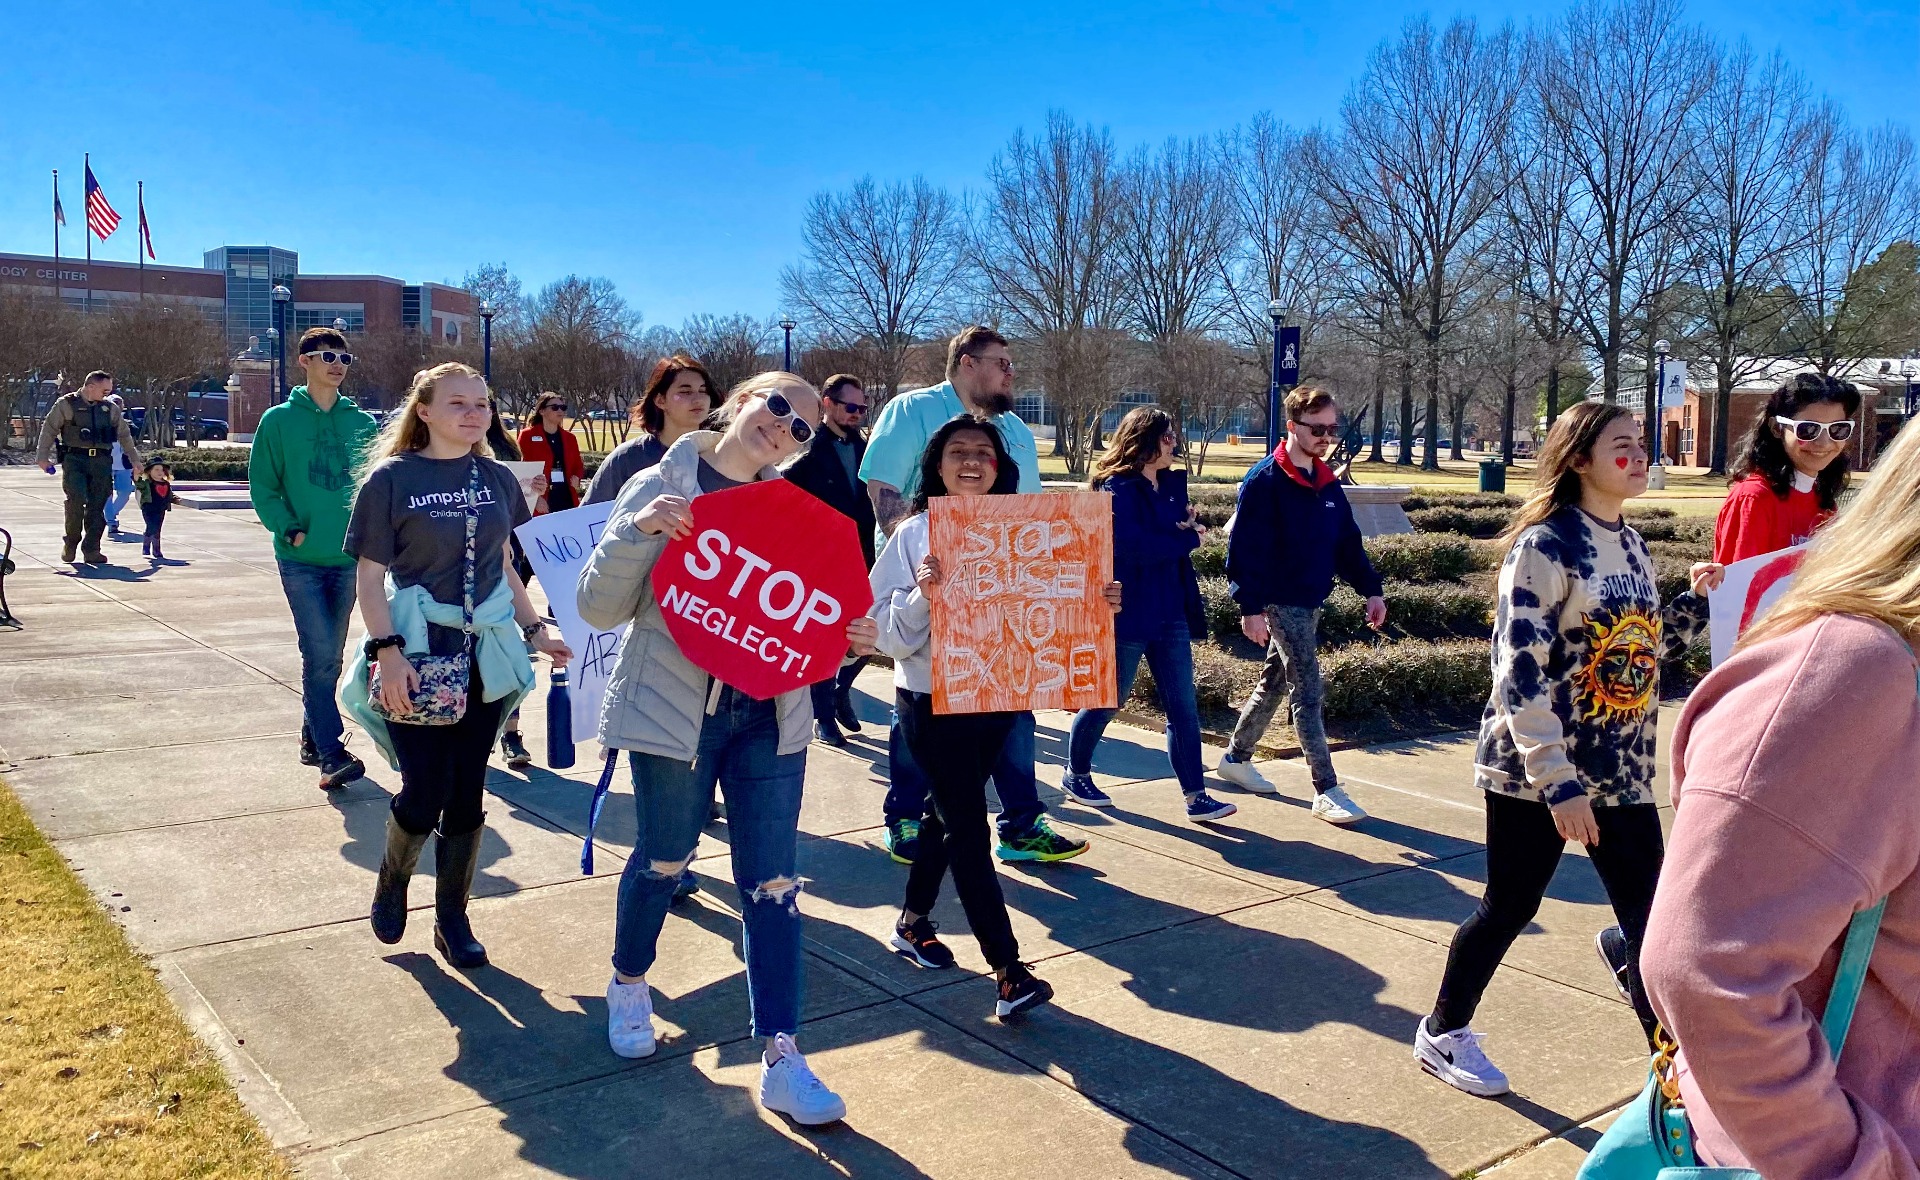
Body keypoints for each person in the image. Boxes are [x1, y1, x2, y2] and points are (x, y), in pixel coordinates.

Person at [579, 371, 877, 1126]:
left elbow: (807, 625)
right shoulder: (661, 480)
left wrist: (850, 642)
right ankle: (629, 981)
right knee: (664, 857)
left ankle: (782, 1055)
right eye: (777, 406)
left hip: (768, 719)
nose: (784, 427)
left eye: (804, 427)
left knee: (773, 883)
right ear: (742, 402)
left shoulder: (797, 518)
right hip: (675, 711)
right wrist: (639, 529)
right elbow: (596, 606)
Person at [1413, 402, 1721, 1098]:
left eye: (1643, 445)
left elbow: (1638, 655)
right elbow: (1517, 669)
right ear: (1579, 460)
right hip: (1536, 775)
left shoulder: (1633, 545)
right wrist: (1557, 781)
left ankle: (1677, 1072)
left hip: (1618, 771)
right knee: (1510, 907)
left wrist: (1691, 607)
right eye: (1623, 446)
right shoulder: (1545, 547)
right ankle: (1442, 1031)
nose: (1640, 456)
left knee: (1654, 920)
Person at [1641, 416, 1920, 1178]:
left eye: (1841, 427)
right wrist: (1848, 1162)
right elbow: (1708, 970)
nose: (1825, 439)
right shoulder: (1856, 675)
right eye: (1809, 425)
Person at [870, 416, 1108, 1016]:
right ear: (937, 465)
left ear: (1000, 469)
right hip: (930, 701)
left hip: (998, 699)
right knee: (970, 831)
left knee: (943, 818)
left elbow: (1055, 612)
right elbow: (884, 636)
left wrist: (1096, 603)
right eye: (957, 451)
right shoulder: (912, 535)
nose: (971, 461)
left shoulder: (1026, 532)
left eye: (983, 452)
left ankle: (912, 920)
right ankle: (1008, 970)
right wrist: (924, 592)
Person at [342, 362, 572, 971]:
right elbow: (368, 580)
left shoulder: (496, 478)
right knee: (423, 791)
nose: (473, 414)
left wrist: (535, 629)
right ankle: (393, 878)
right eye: (457, 403)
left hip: (486, 653)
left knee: (469, 789)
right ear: (424, 410)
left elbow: (501, 563)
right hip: (417, 650)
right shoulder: (391, 480)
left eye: (482, 403)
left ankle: (453, 917)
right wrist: (385, 653)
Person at [858, 325, 1084, 867]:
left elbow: (1033, 520)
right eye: (1001, 362)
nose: (1011, 372)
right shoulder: (911, 411)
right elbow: (885, 493)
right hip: (930, 594)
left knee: (1013, 715)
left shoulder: (1015, 432)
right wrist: (926, 572)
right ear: (966, 362)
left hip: (1004, 604)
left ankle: (1022, 824)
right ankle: (908, 818)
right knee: (921, 714)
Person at [1217, 386, 1385, 825]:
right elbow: (1243, 549)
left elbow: (1347, 544)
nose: (1326, 437)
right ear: (1292, 426)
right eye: (1317, 429)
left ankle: (1236, 757)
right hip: (1280, 600)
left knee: (1274, 681)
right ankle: (1326, 788)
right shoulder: (1264, 481)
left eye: (1332, 428)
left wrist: (1371, 589)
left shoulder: (1326, 483)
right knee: (1307, 690)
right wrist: (1249, 607)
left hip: (1309, 599)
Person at [1064, 407, 1237, 822]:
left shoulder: (1171, 486)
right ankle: (1077, 772)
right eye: (1167, 436)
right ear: (1145, 441)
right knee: (1109, 700)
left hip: (1171, 607)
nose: (1174, 442)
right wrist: (1187, 539)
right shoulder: (1116, 488)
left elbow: (1161, 538)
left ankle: (1196, 796)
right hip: (1129, 609)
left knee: (1183, 707)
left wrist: (1182, 530)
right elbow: (1132, 549)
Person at [248, 328, 381, 791]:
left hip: (350, 560)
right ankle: (330, 752)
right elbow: (263, 485)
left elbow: (378, 486)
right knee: (320, 652)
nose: (338, 364)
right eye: (327, 355)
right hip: (300, 558)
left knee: (329, 655)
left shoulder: (362, 424)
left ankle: (311, 736)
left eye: (345, 357)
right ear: (303, 362)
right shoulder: (278, 421)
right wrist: (289, 528)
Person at [782, 373, 878, 747]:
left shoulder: (867, 447)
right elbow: (783, 493)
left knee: (867, 636)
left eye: (862, 408)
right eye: (850, 407)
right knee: (825, 639)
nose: (857, 414)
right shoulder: (806, 448)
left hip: (864, 555)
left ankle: (841, 690)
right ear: (827, 403)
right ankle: (823, 716)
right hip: (820, 559)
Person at [1713, 372, 1861, 565]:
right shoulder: (1754, 498)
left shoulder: (1824, 502)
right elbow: (1739, 588)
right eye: (1808, 429)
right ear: (1776, 428)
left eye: (1838, 429)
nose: (1824, 443)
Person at [35, 370, 142, 565]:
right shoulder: (66, 405)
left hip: (101, 461)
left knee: (98, 504)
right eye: (104, 390)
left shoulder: (110, 409)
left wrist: (135, 460)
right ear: (90, 387)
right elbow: (49, 429)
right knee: (75, 500)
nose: (107, 394)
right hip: (75, 459)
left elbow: (124, 435)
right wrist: (42, 457)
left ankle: (92, 549)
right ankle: (71, 542)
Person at [584, 355, 720, 505]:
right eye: (685, 392)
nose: (698, 399)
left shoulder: (723, 455)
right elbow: (587, 521)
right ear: (660, 400)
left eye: (703, 391)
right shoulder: (626, 459)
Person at [484, 408, 539, 769]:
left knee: (508, 653)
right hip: (446, 586)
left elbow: (519, 505)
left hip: (503, 562)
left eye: (481, 404)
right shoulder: (413, 463)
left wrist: (533, 491)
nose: (473, 413)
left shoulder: (504, 451)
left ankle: (511, 734)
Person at [517, 393, 584, 515]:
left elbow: (578, 466)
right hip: (542, 499)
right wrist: (535, 499)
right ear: (542, 411)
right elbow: (521, 471)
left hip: (566, 497)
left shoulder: (570, 438)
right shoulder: (527, 436)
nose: (560, 410)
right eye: (554, 407)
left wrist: (577, 478)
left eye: (563, 407)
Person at [104, 396, 136, 540]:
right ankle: (111, 522)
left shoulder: (126, 423)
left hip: (124, 464)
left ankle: (110, 515)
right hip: (105, 463)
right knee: (107, 494)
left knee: (125, 492)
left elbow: (133, 433)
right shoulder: (101, 420)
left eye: (119, 403)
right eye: (114, 403)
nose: (117, 405)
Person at [136, 460, 175, 562]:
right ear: (149, 472)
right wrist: (136, 476)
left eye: (162, 470)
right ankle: (146, 545)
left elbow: (170, 495)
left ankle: (157, 550)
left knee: (158, 528)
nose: (160, 472)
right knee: (151, 526)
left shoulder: (166, 484)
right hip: (148, 508)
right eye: (156, 469)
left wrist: (175, 499)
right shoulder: (147, 483)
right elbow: (139, 484)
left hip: (161, 509)